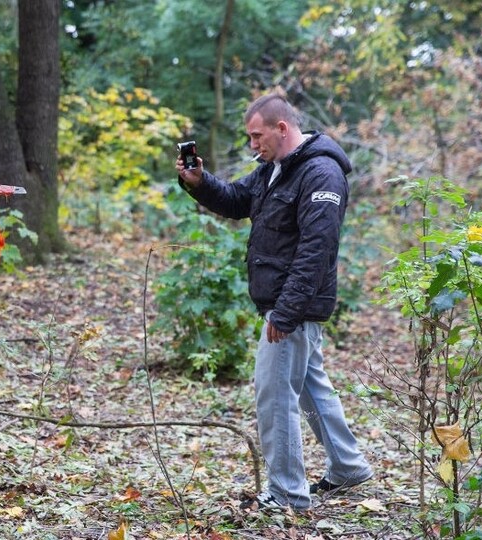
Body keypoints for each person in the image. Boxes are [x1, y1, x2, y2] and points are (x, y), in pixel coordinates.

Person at [175, 94, 372, 512]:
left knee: (275, 393)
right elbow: (235, 201)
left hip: (293, 306)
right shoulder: (274, 170)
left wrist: (285, 312)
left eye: (256, 136)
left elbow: (317, 250)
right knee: (309, 387)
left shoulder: (320, 173)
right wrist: (199, 183)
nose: (252, 146)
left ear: (282, 128)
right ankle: (348, 466)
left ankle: (286, 493)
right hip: (284, 304)